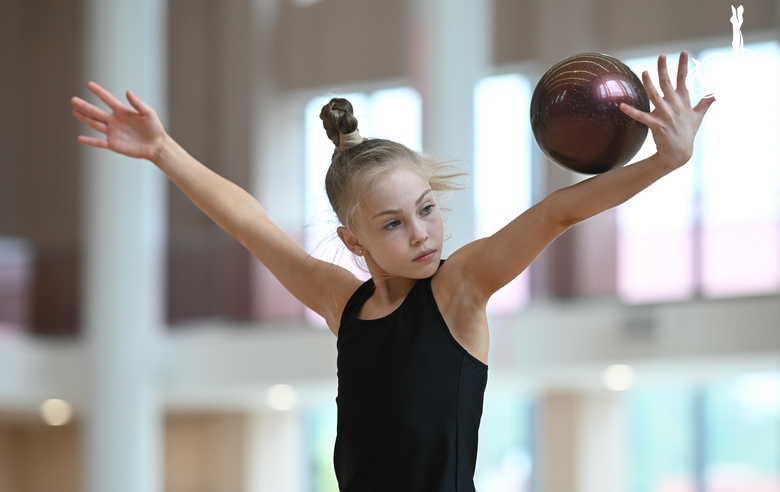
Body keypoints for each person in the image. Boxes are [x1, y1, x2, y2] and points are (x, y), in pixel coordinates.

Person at [71, 51, 714, 491]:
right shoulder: (342, 304)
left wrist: (662, 164)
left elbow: (555, 215)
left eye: (427, 210)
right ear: (354, 242)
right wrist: (163, 150)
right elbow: (249, 222)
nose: (421, 233)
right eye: (392, 224)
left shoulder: (460, 291)